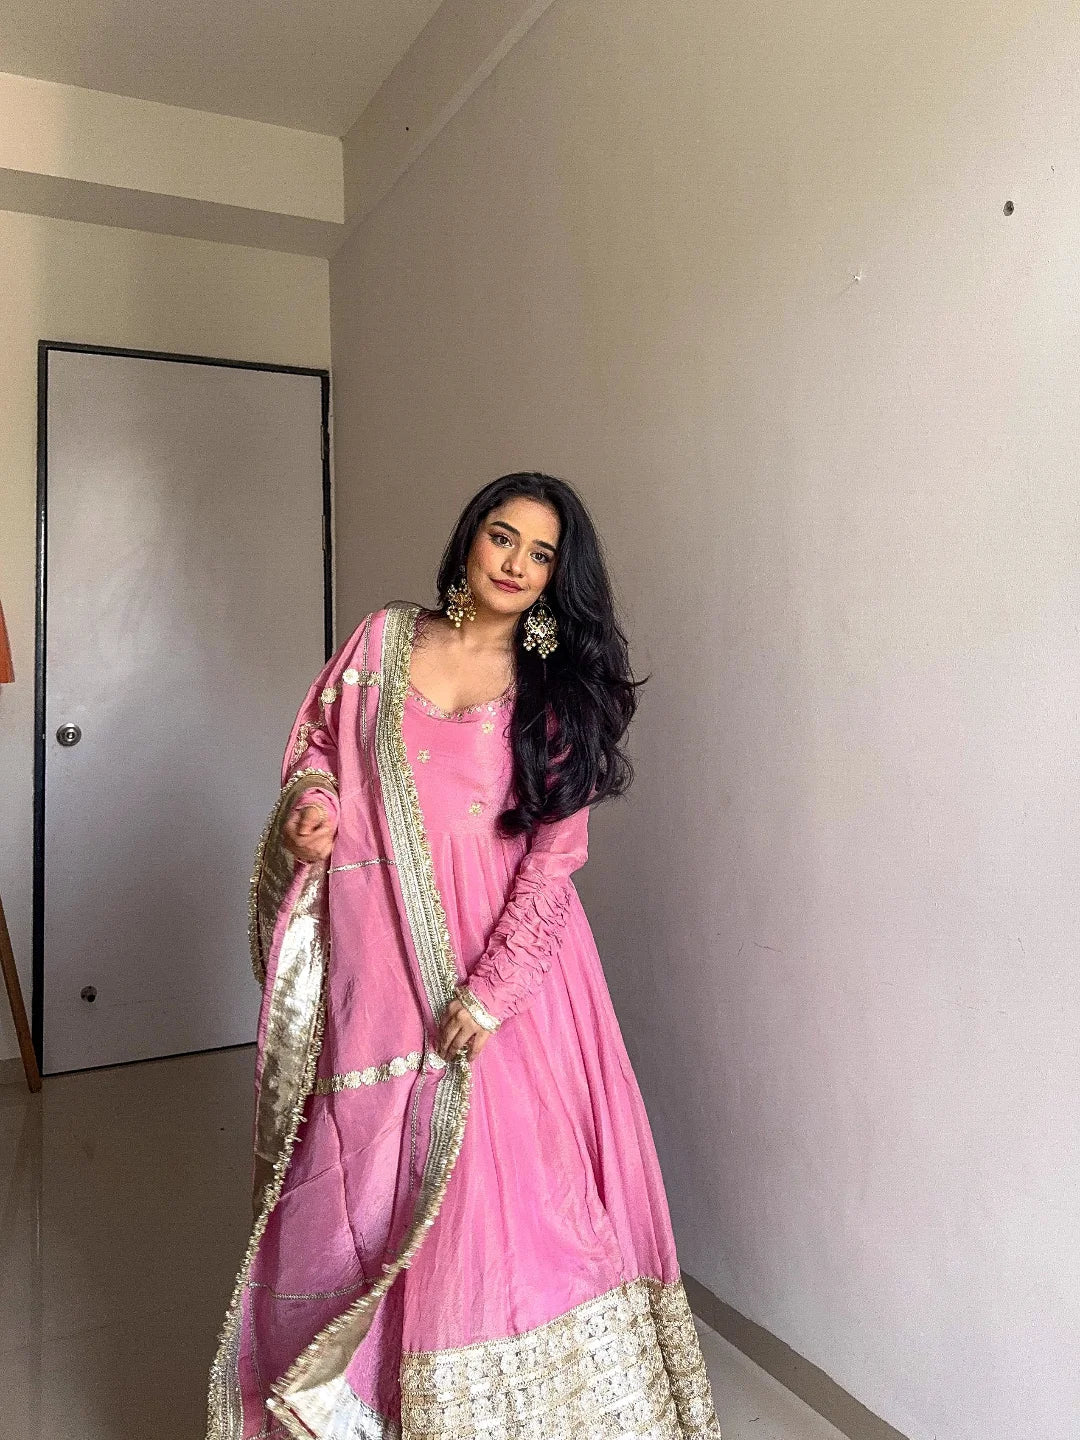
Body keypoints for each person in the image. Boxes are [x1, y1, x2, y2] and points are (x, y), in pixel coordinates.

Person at [207, 473, 721, 1440]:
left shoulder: (552, 693)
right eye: (503, 537)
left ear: (558, 580)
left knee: (510, 1204)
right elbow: (320, 743)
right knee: (366, 1182)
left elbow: (553, 862)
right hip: (379, 965)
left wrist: (490, 993)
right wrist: (313, 806)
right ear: (469, 539)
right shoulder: (382, 642)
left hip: (509, 985)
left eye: (540, 555)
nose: (517, 564)